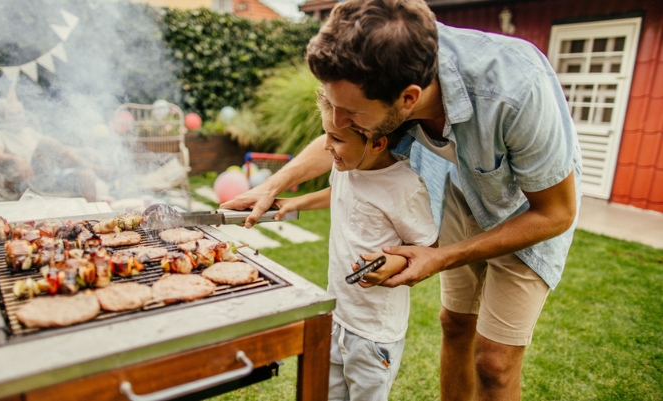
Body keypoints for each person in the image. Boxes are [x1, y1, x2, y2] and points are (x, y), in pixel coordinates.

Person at [221, 0, 582, 399]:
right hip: (459, 190)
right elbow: (340, 141)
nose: (337, 123)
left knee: (494, 362)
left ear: (408, 99)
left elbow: (557, 212)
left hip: (527, 208)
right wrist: (275, 184)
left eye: (351, 114)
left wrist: (441, 256)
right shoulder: (387, 64)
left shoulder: (515, 89)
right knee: (455, 324)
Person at [272, 91, 438, 400]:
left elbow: (427, 247)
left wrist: (394, 264)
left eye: (336, 138)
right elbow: (337, 194)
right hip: (337, 316)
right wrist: (294, 202)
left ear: (376, 143)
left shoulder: (404, 188)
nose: (326, 146)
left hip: (373, 334)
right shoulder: (347, 165)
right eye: (327, 134)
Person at [0, 95, 111, 202]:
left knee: (86, 175)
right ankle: (96, 168)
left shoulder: (29, 132)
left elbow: (58, 149)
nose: (16, 117)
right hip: (26, 181)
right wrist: (16, 159)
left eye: (19, 113)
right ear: (3, 117)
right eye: (11, 114)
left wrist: (83, 150)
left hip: (48, 178)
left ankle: (93, 221)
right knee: (47, 142)